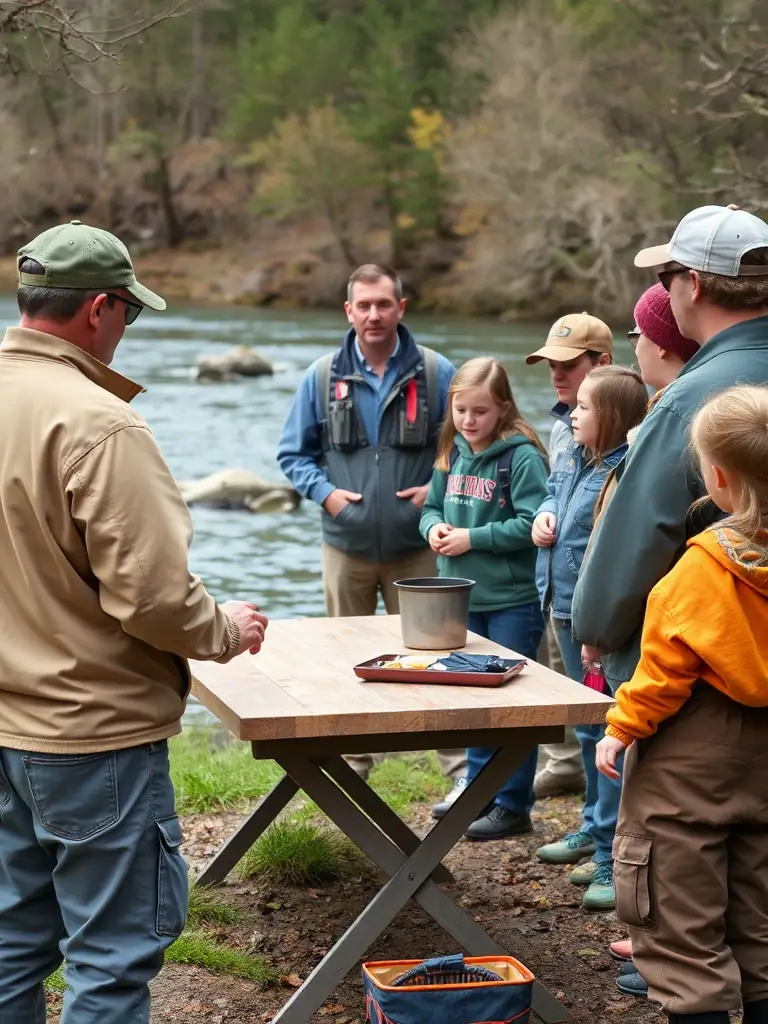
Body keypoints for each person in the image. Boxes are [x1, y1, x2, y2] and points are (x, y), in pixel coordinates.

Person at [0, 220, 269, 1024]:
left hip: (6, 727)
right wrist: (225, 628)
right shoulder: (99, 424)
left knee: (11, 941)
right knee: (112, 958)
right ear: (99, 310)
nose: (127, 330)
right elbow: (151, 599)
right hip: (93, 739)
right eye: (130, 313)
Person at [596, 385, 768, 1024]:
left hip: (690, 767)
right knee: (761, 917)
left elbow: (664, 670)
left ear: (717, 478)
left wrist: (621, 727)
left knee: (679, 919)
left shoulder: (700, 572)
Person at [276, 264, 465, 784]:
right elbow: (293, 455)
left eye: (384, 304)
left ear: (401, 308)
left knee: (439, 658)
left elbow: (467, 443)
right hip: (346, 547)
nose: (374, 315)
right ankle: (351, 766)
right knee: (347, 661)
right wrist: (328, 496)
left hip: (419, 546)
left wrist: (438, 487)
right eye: (364, 306)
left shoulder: (436, 372)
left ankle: (459, 770)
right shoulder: (321, 377)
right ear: (349, 311)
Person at [573, 203, 768, 699]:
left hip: (702, 674)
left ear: (695, 285)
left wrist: (596, 627)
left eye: (666, 277)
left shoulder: (688, 397)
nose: (664, 290)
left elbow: (642, 530)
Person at [586, 283, 698, 999]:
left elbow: (635, 544)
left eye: (637, 333)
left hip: (659, 669)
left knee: (661, 824)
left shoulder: (674, 414)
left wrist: (595, 626)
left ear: (659, 342)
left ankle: (667, 955)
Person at [532, 365, 647, 911]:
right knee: (585, 730)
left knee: (607, 734)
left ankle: (610, 851)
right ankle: (592, 828)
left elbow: (611, 554)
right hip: (562, 606)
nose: (571, 414)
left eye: (583, 407)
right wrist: (544, 515)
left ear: (613, 419)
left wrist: (598, 629)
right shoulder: (576, 456)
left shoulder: (622, 472)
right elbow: (553, 497)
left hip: (597, 626)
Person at [420, 357, 549, 838]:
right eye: (461, 410)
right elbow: (431, 505)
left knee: (512, 700)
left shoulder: (522, 456)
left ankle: (513, 804)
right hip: (459, 595)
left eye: (480, 411)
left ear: (503, 409)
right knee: (470, 694)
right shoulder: (451, 451)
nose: (469, 421)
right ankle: (477, 787)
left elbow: (533, 523)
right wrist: (432, 527)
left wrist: (473, 538)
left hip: (511, 598)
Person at [525, 313, 613, 799]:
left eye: (567, 364)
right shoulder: (565, 428)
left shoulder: (623, 436)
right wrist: (543, 514)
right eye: (549, 365)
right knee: (580, 716)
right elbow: (555, 491)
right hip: (556, 595)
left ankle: (609, 834)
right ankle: (589, 817)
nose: (555, 374)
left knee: (603, 719)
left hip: (593, 604)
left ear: (602, 363)